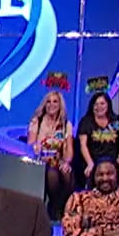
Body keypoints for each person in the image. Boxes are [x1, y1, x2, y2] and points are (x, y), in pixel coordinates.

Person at [26, 90, 74, 221]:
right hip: (41, 161)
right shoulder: (37, 121)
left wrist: (66, 163)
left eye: (55, 101)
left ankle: (64, 205)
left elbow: (69, 149)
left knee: (66, 172)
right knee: (52, 173)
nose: (51, 104)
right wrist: (36, 148)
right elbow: (30, 144)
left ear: (60, 105)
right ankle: (54, 206)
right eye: (48, 101)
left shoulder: (66, 124)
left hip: (59, 160)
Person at [75, 91, 119, 178]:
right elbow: (83, 145)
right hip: (94, 162)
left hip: (113, 162)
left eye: (102, 103)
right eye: (96, 104)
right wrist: (90, 163)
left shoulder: (117, 121)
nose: (99, 107)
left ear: (108, 105)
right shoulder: (86, 122)